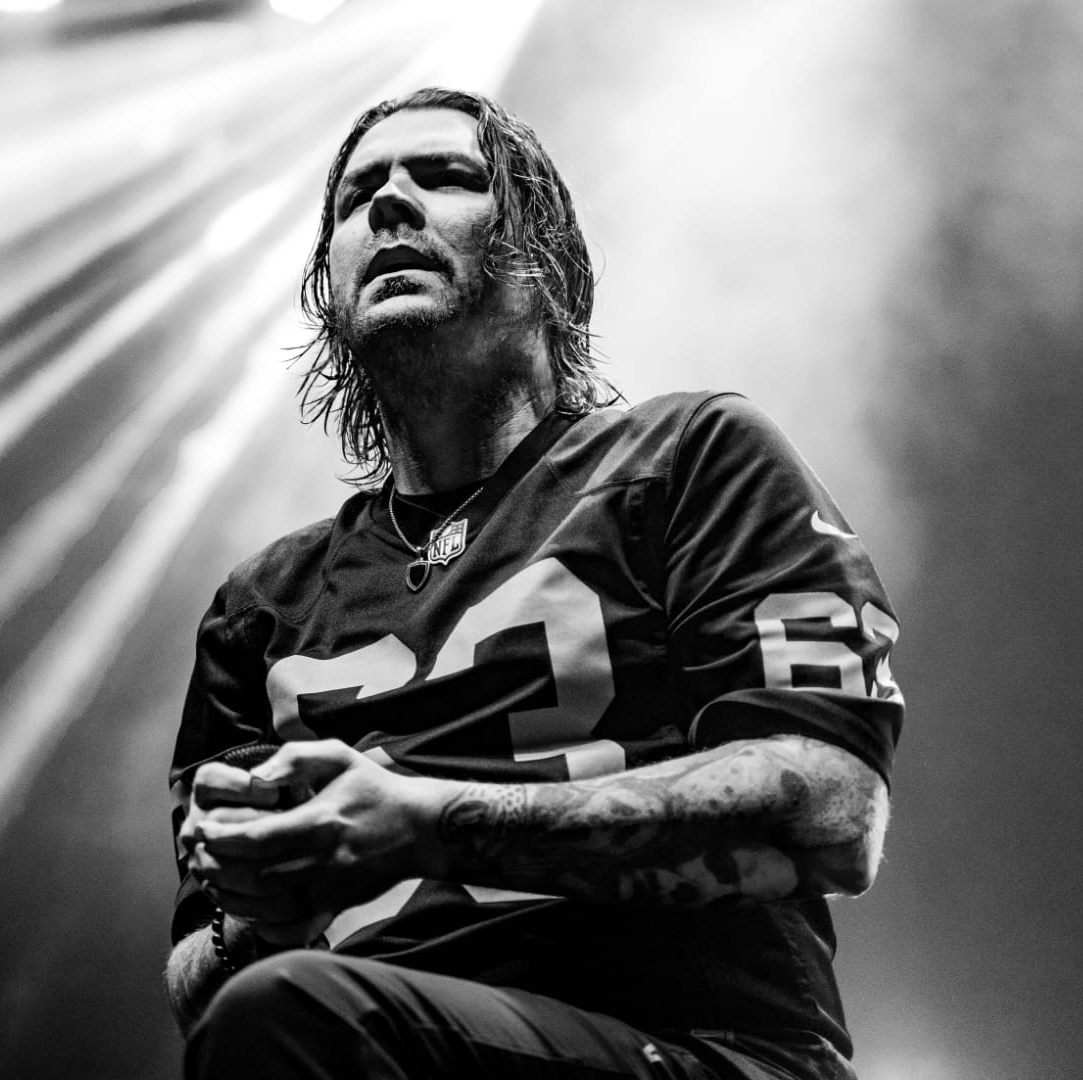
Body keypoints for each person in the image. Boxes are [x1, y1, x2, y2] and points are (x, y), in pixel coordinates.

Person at [163, 86, 903, 1080]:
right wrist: (260, 909)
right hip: (356, 1038)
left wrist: (423, 826)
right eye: (356, 196)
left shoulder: (692, 458)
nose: (389, 204)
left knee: (294, 1015)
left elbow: (830, 811)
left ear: (541, 254)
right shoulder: (261, 608)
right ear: (326, 288)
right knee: (272, 1014)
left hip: (707, 1051)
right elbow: (197, 988)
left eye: (445, 177)